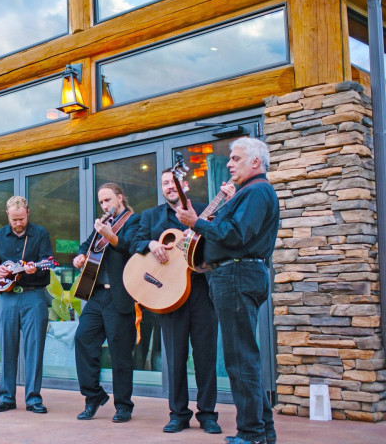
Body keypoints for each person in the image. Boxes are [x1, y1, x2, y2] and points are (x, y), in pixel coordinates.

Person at [175, 137, 279, 444]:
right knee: (243, 356)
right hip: (236, 274)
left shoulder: (258, 191)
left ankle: (251, 434)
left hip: (238, 275)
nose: (230, 163)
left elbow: (235, 235)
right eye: (230, 159)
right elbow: (230, 235)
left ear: (255, 162)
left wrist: (196, 223)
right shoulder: (250, 192)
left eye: (235, 158)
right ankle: (263, 431)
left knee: (240, 359)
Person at [132, 170, 233, 434]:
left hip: (200, 290)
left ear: (185, 185)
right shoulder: (151, 216)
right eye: (164, 183)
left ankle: (208, 414)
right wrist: (150, 243)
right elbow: (134, 241)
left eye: (173, 182)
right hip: (168, 293)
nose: (169, 186)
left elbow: (223, 236)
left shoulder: (203, 210)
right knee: (175, 357)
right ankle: (178, 413)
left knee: (205, 355)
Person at [72, 183, 140, 423]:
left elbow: (132, 249)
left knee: (120, 353)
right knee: (83, 340)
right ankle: (93, 396)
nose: (105, 205)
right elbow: (85, 245)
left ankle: (123, 406)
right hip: (96, 294)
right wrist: (80, 256)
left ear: (120, 198)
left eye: (108, 200)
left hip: (120, 295)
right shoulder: (102, 224)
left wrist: (110, 236)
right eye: (101, 202)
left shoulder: (133, 221)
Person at [0, 196, 53, 414]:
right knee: (6, 347)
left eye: (22, 219)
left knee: (34, 348)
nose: (18, 224)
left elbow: (47, 263)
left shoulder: (40, 234)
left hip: (34, 296)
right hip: (7, 297)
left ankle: (33, 398)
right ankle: (6, 397)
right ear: (7, 215)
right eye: (14, 219)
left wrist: (37, 269)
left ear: (28, 213)